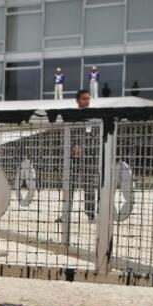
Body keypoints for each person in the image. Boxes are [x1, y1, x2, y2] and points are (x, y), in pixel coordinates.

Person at [57, 89, 96, 224]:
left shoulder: (93, 116)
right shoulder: (71, 116)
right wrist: (74, 146)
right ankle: (65, 215)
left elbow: (93, 136)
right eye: (84, 99)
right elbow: (66, 135)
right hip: (72, 158)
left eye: (88, 98)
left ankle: (91, 215)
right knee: (69, 185)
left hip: (89, 157)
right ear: (78, 100)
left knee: (89, 185)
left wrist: (82, 146)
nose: (87, 101)